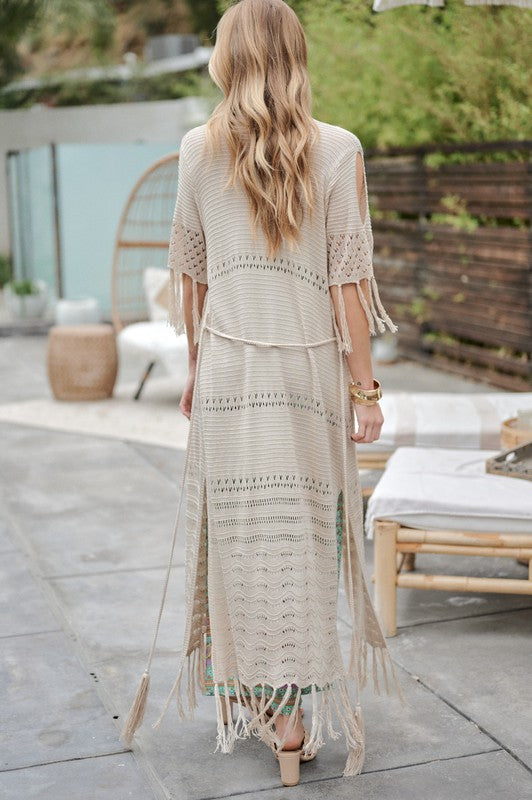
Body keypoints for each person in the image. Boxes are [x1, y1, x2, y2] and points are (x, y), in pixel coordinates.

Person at [121, 0, 405, 787]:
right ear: (296, 56)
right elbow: (349, 283)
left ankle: (261, 701)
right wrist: (366, 389)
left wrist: (193, 371)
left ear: (227, 58)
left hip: (231, 374)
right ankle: (291, 718)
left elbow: (196, 282)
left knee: (240, 536)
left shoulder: (195, 151)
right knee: (306, 540)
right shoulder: (339, 151)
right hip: (309, 374)